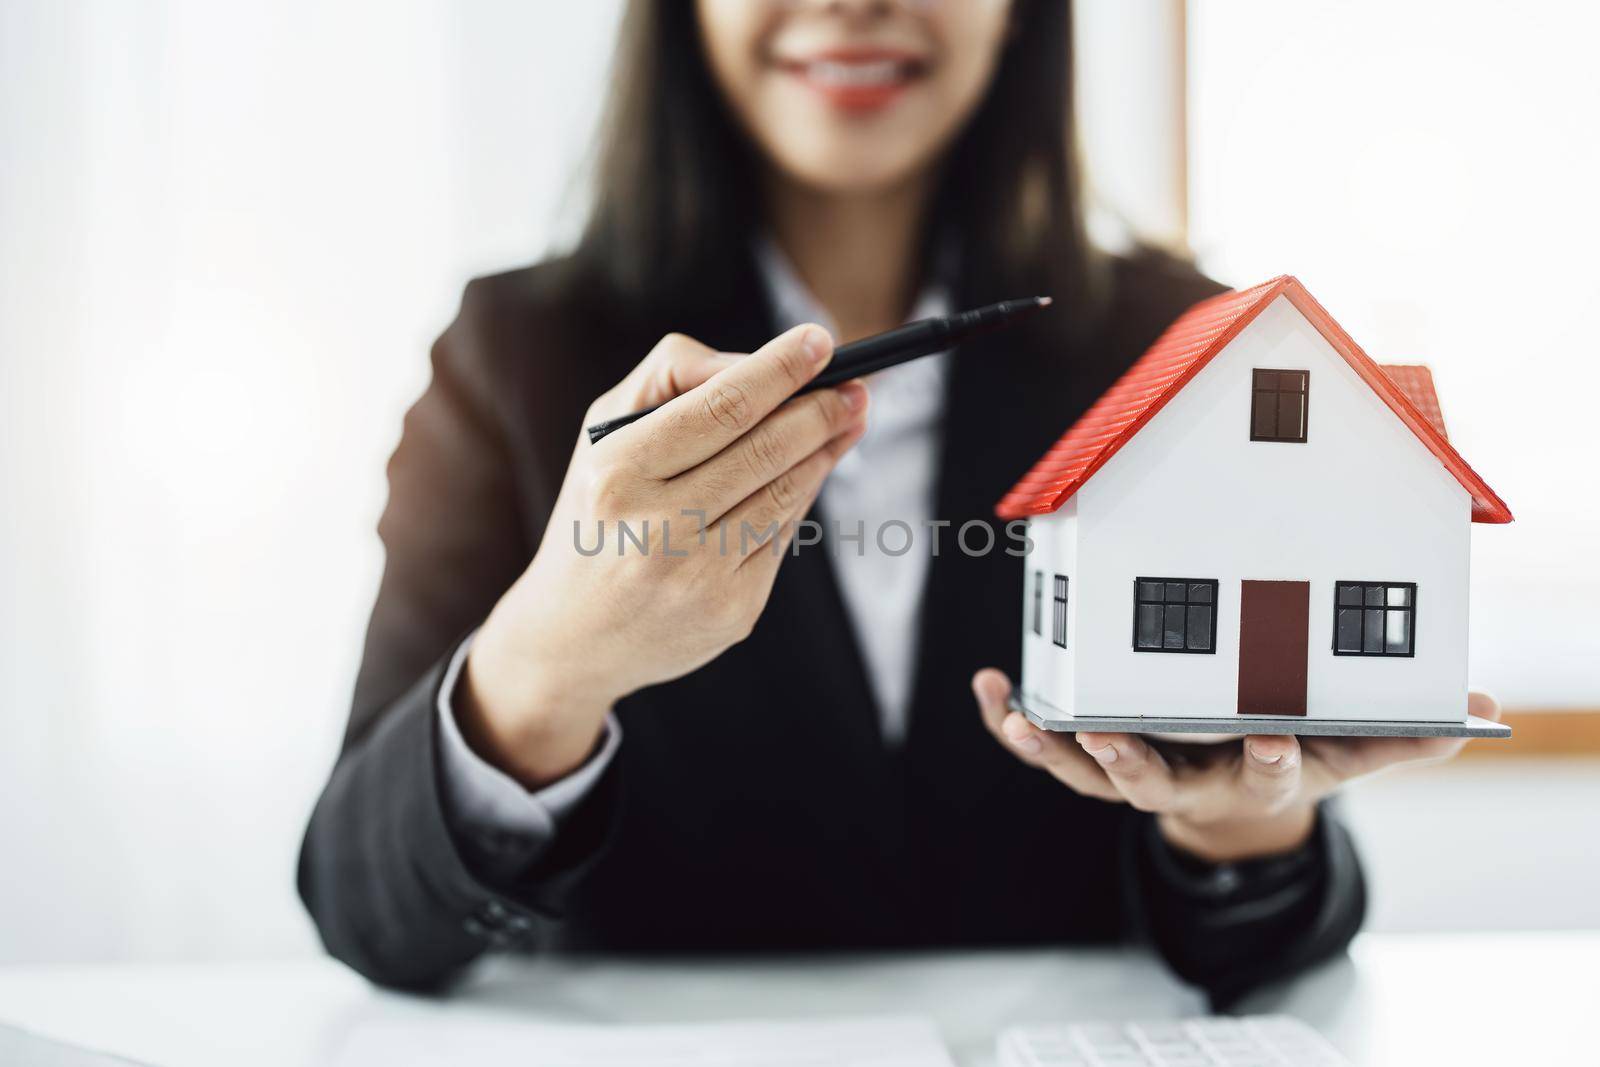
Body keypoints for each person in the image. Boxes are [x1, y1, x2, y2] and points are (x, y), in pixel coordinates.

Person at [298, 0, 1498, 1008]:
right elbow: (366, 914)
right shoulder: (515, 354)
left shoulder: (1187, 351)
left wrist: (1238, 820)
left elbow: (1273, 957)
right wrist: (545, 667)